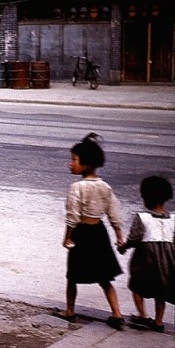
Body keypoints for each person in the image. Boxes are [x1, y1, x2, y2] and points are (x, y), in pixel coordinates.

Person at [53, 133, 126, 330]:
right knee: (104, 277)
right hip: (99, 233)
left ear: (86, 164)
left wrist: (67, 237)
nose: (70, 163)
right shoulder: (105, 187)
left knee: (73, 275)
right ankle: (117, 314)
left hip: (82, 233)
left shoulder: (77, 187)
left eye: (74, 160)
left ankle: (70, 311)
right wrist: (119, 236)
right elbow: (114, 212)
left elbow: (73, 216)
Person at [118, 176, 175, 333]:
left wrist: (123, 247)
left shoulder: (141, 217)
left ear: (145, 197)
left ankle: (142, 314)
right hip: (167, 260)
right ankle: (158, 321)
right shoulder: (173, 219)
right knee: (161, 290)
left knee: (136, 284)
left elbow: (134, 238)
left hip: (145, 257)